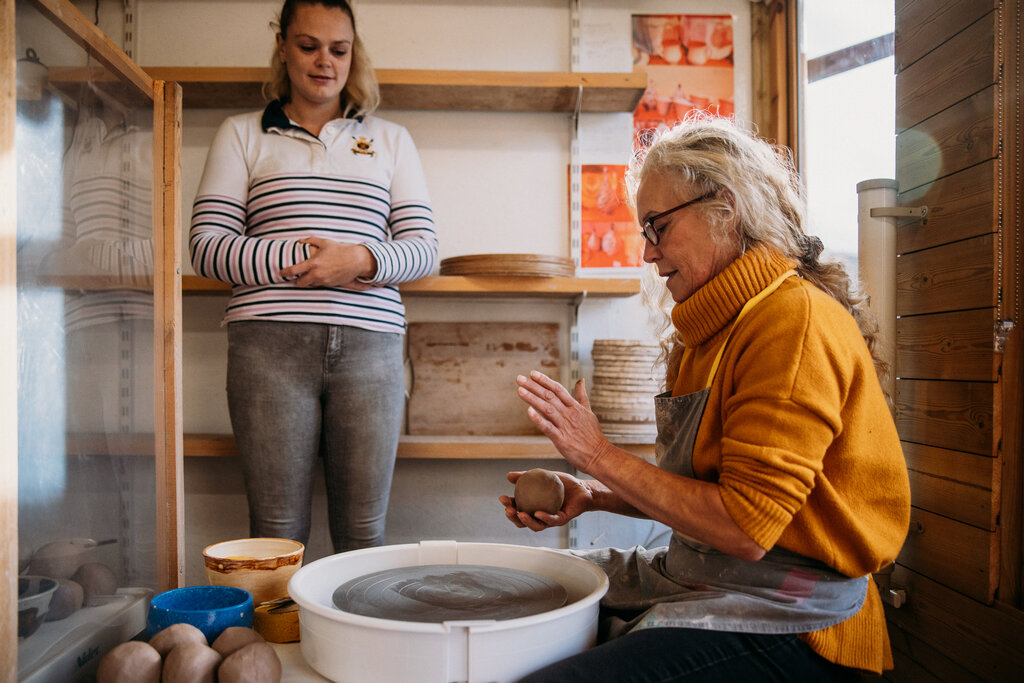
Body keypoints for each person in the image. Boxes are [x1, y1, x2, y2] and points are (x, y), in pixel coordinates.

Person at [501, 115, 910, 681]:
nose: (648, 254)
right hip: (711, 578)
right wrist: (593, 493)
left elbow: (746, 528)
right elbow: (705, 494)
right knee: (522, 592)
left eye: (657, 227)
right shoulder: (709, 331)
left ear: (725, 207)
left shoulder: (791, 324)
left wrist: (598, 455)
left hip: (799, 620)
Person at [189, 0, 437, 554]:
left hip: (372, 349)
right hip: (267, 348)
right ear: (282, 47)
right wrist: (305, 258)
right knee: (275, 534)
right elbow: (206, 248)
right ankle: (274, 647)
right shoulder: (241, 134)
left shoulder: (392, 140)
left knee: (363, 534)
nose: (324, 61)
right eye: (308, 46)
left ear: (353, 53)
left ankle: (357, 643)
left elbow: (424, 251)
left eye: (339, 49)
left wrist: (361, 260)